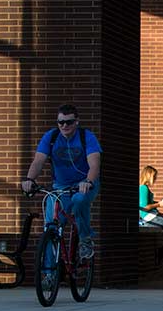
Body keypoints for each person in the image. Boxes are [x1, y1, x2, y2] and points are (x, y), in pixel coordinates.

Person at [20, 104, 102, 261]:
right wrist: (30, 179)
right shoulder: (51, 137)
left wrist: (88, 181)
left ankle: (85, 240)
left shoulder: (87, 137)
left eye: (69, 122)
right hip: (60, 187)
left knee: (79, 200)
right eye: (61, 122)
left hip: (84, 184)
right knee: (51, 227)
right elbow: (38, 161)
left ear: (76, 121)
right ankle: (49, 275)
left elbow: (94, 165)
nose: (64, 126)